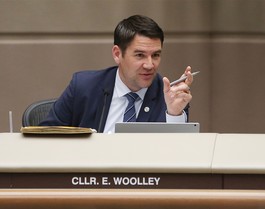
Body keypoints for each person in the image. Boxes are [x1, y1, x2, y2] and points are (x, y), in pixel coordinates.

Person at [40, 15, 193, 133]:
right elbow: (46, 138)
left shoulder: (169, 98)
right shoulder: (84, 86)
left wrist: (174, 114)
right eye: (139, 55)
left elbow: (177, 157)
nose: (149, 65)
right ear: (117, 54)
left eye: (156, 55)